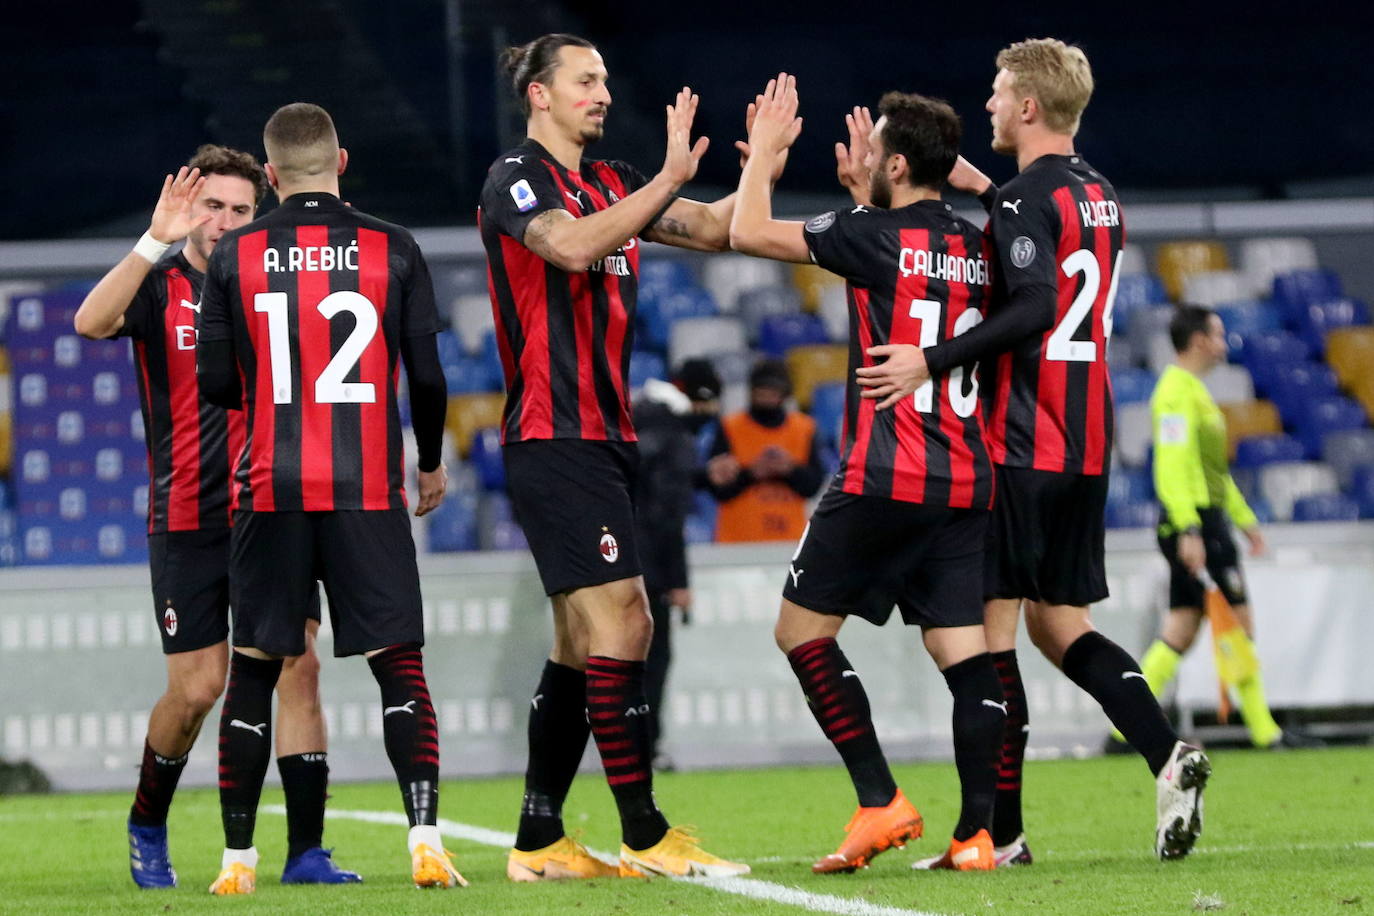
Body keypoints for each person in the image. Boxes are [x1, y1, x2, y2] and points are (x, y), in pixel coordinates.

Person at [853, 38, 1210, 862]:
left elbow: (1034, 303)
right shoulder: (1100, 195)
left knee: (992, 635)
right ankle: (1166, 754)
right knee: (1063, 626)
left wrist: (932, 359)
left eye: (996, 93)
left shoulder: (1020, 204)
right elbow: (1036, 227)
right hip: (1087, 444)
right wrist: (992, 189)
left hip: (1021, 441)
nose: (985, 105)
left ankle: (999, 833)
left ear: (1025, 108)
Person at [478, 32, 787, 880]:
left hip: (605, 437)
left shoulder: (613, 183)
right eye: (585, 79)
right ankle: (644, 830)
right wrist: (665, 180)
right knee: (630, 620)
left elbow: (722, 229)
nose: (602, 92)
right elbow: (569, 247)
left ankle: (538, 839)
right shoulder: (516, 177)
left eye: (607, 79)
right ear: (540, 94)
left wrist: (758, 159)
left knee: (581, 645)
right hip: (553, 433)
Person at [730, 75, 1006, 873]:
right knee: (966, 654)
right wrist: (865, 197)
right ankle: (978, 835)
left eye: (875, 149)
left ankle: (880, 799)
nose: (864, 156)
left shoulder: (869, 234)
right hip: (965, 478)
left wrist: (770, 155)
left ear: (894, 166)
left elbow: (748, 230)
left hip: (886, 473)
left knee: (800, 631)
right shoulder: (974, 246)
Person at [73, 146, 357, 890]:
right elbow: (90, 321)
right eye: (212, 207)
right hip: (186, 514)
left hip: (270, 510)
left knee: (299, 667)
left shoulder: (276, 284)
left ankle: (306, 853)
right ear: (188, 209)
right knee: (199, 688)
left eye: (240, 209)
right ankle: (146, 821)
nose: (225, 222)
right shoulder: (161, 286)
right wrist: (151, 239)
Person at [196, 103, 457, 892]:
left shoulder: (233, 256)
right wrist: (433, 464)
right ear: (341, 163)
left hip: (269, 487)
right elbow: (431, 378)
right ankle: (425, 840)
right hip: (365, 486)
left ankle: (237, 861)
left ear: (269, 177)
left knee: (253, 671)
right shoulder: (394, 245)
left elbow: (213, 384)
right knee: (397, 666)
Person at [1130, 304, 1319, 749]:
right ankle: (1265, 732)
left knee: (1181, 628)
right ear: (1198, 341)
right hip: (1194, 522)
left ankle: (1123, 726)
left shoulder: (1192, 390)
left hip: (1206, 519)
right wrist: (1189, 530)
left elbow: (1213, 469)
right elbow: (1173, 467)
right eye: (1217, 334)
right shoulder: (1175, 393)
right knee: (1238, 623)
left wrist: (1244, 520)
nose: (1223, 342)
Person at [633, 359, 722, 769]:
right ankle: (644, 749)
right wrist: (678, 580)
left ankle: (619, 749)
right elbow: (666, 513)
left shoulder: (636, 415)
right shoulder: (674, 434)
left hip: (606, 554)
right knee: (653, 660)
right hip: (648, 565)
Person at [702, 358, 826, 542]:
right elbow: (717, 488)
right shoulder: (730, 427)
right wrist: (752, 472)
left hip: (789, 538)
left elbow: (813, 486)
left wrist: (790, 470)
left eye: (773, 392)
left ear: (785, 394)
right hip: (738, 540)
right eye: (762, 392)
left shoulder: (804, 428)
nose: (767, 398)